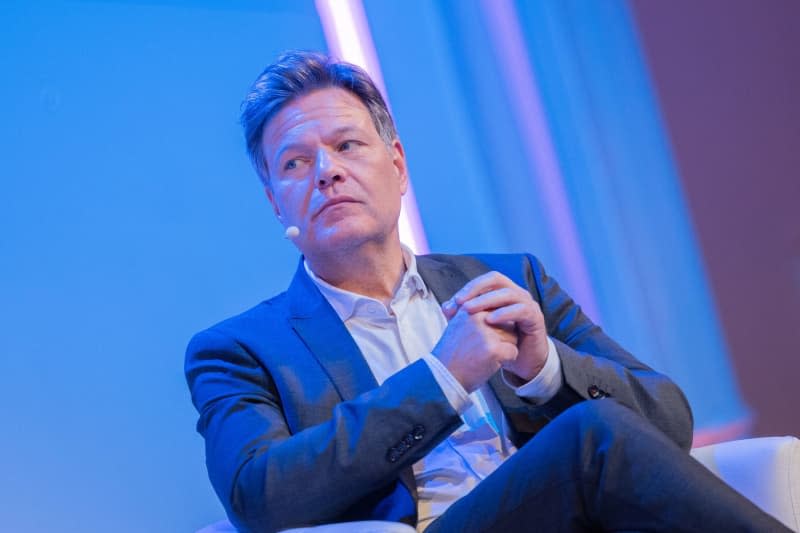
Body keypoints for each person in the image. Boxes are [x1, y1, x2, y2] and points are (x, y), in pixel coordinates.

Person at [185, 50, 788, 533]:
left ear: (396, 165)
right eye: (294, 163)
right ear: (275, 201)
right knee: (589, 434)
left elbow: (669, 421)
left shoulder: (507, 281)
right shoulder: (239, 349)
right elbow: (261, 495)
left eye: (347, 146)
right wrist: (443, 377)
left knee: (600, 432)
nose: (326, 171)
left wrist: (547, 367)